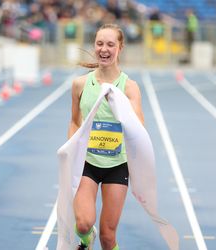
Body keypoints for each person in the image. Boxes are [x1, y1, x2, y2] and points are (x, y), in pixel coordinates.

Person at [68, 23, 144, 250]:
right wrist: (71, 150)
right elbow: (74, 120)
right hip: (87, 162)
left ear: (120, 48)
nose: (104, 49)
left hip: (117, 164)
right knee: (83, 223)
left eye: (110, 44)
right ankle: (84, 240)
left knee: (108, 237)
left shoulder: (129, 87)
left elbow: (139, 127)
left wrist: (119, 105)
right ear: (94, 46)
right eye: (100, 43)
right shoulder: (80, 84)